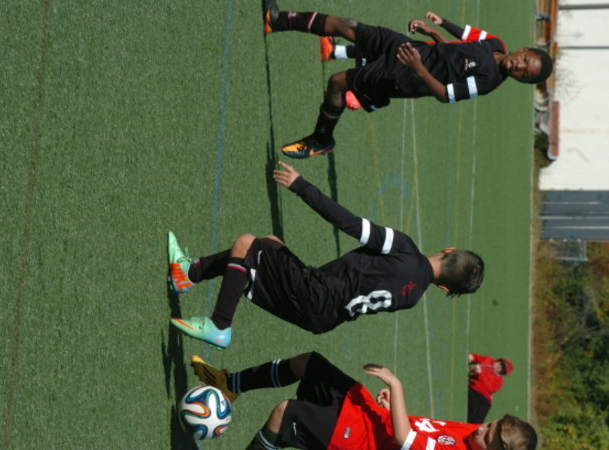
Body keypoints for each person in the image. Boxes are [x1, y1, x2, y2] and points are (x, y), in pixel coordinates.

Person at [168, 161, 484, 348]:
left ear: (449, 250)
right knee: (269, 243)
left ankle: (220, 324)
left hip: (315, 292)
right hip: (323, 319)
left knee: (246, 244)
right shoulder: (412, 297)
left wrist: (301, 186)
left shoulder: (404, 247)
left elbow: (348, 223)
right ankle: (188, 274)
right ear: (443, 287)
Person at [262, 1, 554, 158]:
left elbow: (446, 95)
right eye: (525, 61)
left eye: (523, 74)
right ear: (524, 49)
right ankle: (277, 20)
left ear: (520, 81)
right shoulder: (495, 43)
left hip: (405, 75)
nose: (519, 67)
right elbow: (458, 47)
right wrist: (434, 30)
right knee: (347, 26)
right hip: (409, 48)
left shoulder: (489, 81)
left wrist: (418, 68)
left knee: (338, 82)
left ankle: (322, 139)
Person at [189, 352, 538, 449]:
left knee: (284, 413)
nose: (482, 428)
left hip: (359, 439)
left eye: (489, 435)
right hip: (369, 415)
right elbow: (421, 430)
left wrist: (396, 387)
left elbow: (404, 439)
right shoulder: (473, 433)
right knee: (309, 364)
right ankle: (231, 385)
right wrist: (390, 408)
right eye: (490, 424)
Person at [468, 353, 514, 424]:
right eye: (501, 364)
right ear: (499, 360)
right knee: (473, 408)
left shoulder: (499, 381)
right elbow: (477, 357)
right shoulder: (488, 360)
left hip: (486, 399)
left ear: (502, 373)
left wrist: (480, 373)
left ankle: (473, 428)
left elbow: (489, 388)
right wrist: (472, 357)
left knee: (479, 418)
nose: (499, 367)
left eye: (502, 369)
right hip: (475, 390)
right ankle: (467, 425)